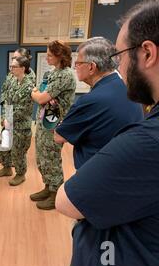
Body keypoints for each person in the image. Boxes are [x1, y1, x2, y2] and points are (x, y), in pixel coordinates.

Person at [56, 0, 159, 266]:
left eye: (121, 56)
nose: (120, 66)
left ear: (147, 53)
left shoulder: (147, 140)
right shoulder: (133, 100)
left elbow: (66, 201)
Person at [54, 37, 143, 169]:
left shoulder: (90, 101)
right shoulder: (128, 86)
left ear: (91, 67)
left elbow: (59, 136)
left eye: (78, 63)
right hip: (126, 165)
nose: (74, 66)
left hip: (96, 173)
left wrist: (64, 123)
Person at [30, 40, 76, 210]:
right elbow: (43, 94)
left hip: (55, 123)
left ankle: (55, 193)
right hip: (45, 120)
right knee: (42, 157)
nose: (47, 57)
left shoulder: (65, 75)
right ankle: (48, 188)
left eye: (50, 55)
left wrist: (34, 93)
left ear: (60, 56)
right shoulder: (52, 73)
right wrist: (38, 93)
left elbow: (41, 97)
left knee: (51, 158)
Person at [0, 56, 35, 186]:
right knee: (4, 147)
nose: (11, 69)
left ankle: (20, 174)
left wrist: (9, 119)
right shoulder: (13, 82)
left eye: (14, 66)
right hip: (8, 122)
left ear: (23, 68)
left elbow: (23, 108)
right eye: (10, 66)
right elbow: (7, 102)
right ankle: (6, 168)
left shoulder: (28, 86)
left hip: (21, 126)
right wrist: (5, 116)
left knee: (18, 151)